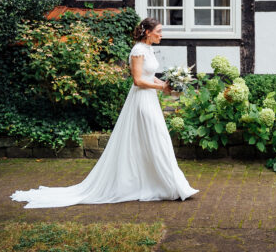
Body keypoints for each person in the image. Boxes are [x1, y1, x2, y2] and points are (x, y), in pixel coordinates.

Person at [11, 18, 198, 208]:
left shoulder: (148, 49)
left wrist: (166, 85)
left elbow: (149, 77)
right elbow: (137, 81)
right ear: (148, 32)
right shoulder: (138, 50)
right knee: (157, 138)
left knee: (154, 139)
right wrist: (161, 88)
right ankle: (169, 185)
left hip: (150, 100)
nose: (161, 34)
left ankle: (162, 183)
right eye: (159, 30)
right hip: (141, 101)